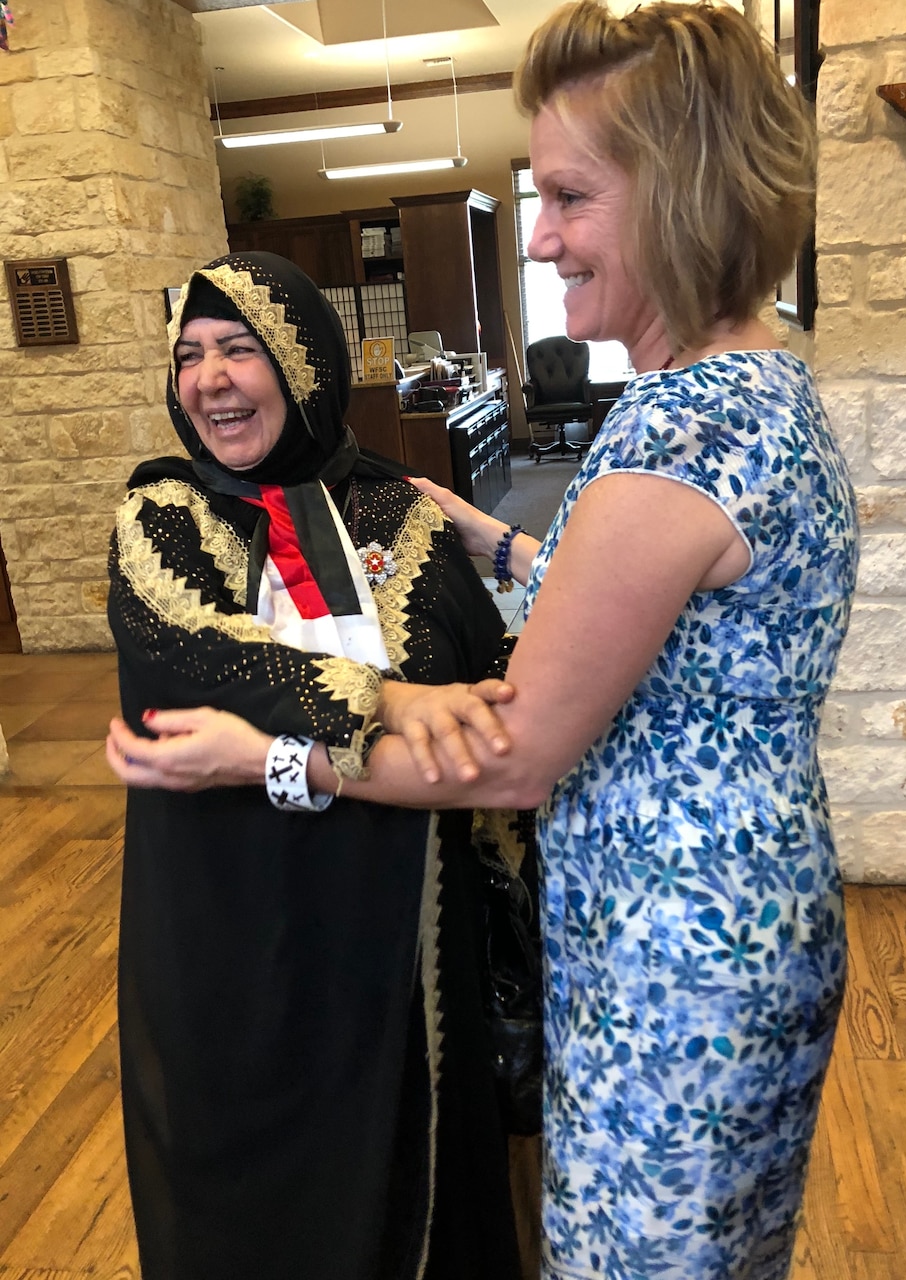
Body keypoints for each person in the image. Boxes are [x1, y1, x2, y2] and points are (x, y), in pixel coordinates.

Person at [108, 4, 860, 1277]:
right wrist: (500, 544)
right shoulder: (755, 383)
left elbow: (511, 753)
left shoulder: (677, 432)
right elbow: (648, 607)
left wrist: (267, 757)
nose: (544, 234)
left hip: (673, 955)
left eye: (569, 194)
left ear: (684, 195)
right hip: (725, 906)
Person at [105, 249, 526, 1280]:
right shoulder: (160, 515)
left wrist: (522, 576)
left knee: (415, 1169)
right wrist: (386, 696)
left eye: (239, 350)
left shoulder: (401, 509)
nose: (208, 379)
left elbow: (490, 680)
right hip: (234, 933)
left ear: (304, 366)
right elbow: (192, 656)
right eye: (190, 355)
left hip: (410, 923)